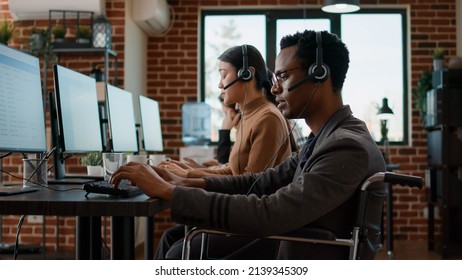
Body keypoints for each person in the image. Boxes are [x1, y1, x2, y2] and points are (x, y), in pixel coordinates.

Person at [111, 30, 386, 259]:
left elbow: (269, 211)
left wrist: (170, 191)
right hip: (291, 239)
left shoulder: (345, 146)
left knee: (178, 253)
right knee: (178, 240)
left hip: (294, 250)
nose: (275, 88)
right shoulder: (326, 137)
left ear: (319, 73)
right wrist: (183, 183)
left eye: (284, 77)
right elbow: (259, 182)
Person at [163, 45, 292, 178]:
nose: (220, 84)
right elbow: (232, 170)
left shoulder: (267, 118)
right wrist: (190, 171)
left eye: (224, 75)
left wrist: (189, 175)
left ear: (246, 74)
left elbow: (251, 184)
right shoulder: (249, 115)